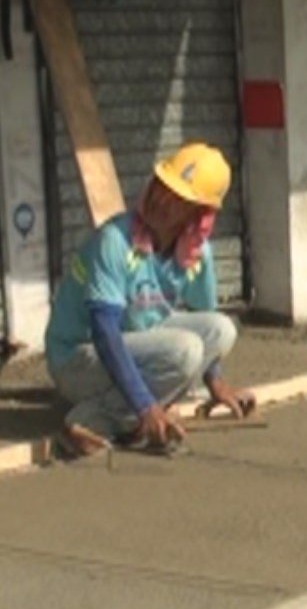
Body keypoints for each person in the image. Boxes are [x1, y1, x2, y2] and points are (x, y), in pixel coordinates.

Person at [44, 143, 251, 456]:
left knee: (221, 329)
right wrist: (145, 407)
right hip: (77, 359)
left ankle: (130, 413)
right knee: (185, 350)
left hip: (134, 340)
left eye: (177, 199)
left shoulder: (196, 254)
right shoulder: (114, 241)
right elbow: (105, 334)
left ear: (200, 216)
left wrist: (216, 384)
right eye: (161, 187)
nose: (160, 201)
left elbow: (206, 317)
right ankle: (90, 421)